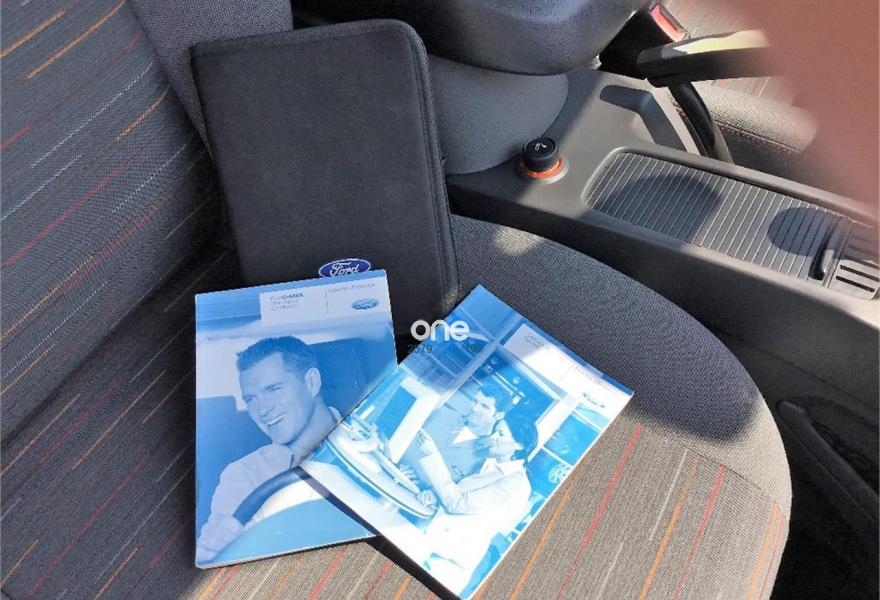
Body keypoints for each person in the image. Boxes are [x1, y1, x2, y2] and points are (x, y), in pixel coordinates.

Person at [196, 336, 340, 563]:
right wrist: (216, 545)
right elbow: (221, 543)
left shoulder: (381, 433)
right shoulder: (242, 475)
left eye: (273, 389)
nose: (262, 410)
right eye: (251, 399)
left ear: (312, 382)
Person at [414, 415, 539, 592]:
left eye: (501, 434)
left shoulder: (515, 481)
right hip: (434, 549)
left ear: (519, 445)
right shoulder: (494, 469)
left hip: (446, 563)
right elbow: (460, 496)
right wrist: (436, 495)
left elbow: (458, 503)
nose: (493, 437)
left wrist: (433, 454)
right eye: (494, 431)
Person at [401, 382, 516, 484]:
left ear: (499, 415)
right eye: (475, 401)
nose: (475, 408)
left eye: (484, 406)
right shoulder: (442, 414)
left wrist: (422, 482)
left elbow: (454, 490)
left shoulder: (484, 457)